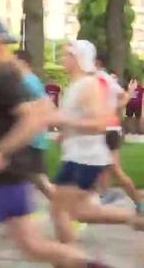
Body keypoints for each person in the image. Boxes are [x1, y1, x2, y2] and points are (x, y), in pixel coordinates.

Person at [0, 17, 103, 268]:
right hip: (14, 176)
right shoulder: (4, 73)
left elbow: (33, 118)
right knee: (34, 247)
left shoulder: (4, 76)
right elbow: (33, 110)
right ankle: (92, 264)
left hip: (2, 177)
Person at [46, 41, 144, 247]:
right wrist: (65, 132)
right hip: (79, 156)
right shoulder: (77, 84)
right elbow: (78, 118)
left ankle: (70, 259)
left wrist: (63, 122)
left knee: (60, 211)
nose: (62, 59)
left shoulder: (88, 85)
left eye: (66, 55)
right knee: (79, 212)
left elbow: (100, 123)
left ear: (78, 58)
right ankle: (133, 219)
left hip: (85, 159)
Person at [94, 53, 142, 211]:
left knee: (112, 168)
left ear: (97, 62)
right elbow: (123, 98)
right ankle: (104, 198)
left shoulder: (99, 79)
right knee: (103, 167)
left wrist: (109, 111)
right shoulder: (105, 78)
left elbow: (122, 99)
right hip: (109, 128)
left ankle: (138, 204)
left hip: (107, 129)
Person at [11, 50, 55, 200]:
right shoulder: (27, 80)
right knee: (32, 178)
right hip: (29, 137)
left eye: (13, 61)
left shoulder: (28, 81)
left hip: (31, 138)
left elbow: (45, 105)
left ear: (23, 62)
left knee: (39, 180)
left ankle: (67, 212)